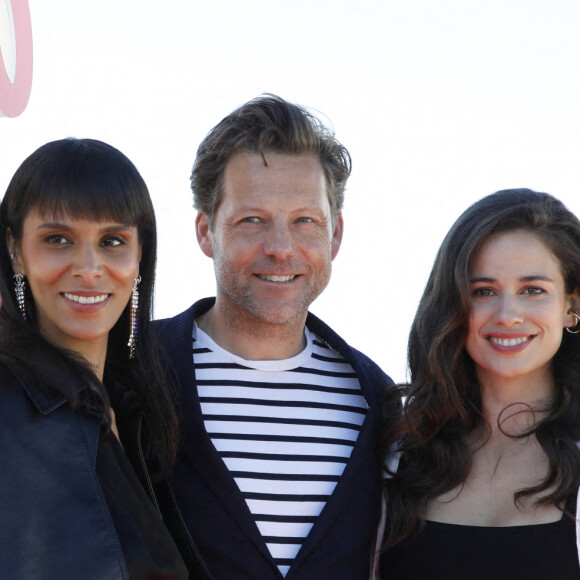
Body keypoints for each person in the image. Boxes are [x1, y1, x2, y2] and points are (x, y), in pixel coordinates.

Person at [154, 94, 393, 579]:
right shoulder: (136, 371)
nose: (281, 249)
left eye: (305, 221)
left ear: (336, 235)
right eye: (252, 220)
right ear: (206, 232)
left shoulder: (378, 402)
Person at [0, 138, 188, 579]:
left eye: (112, 241)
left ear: (140, 253)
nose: (88, 267)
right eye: (58, 239)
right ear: (15, 250)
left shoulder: (137, 408)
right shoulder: (9, 406)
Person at [378, 189, 580, 580]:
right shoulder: (401, 454)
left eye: (533, 290)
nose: (507, 315)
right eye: (483, 292)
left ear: (571, 306)